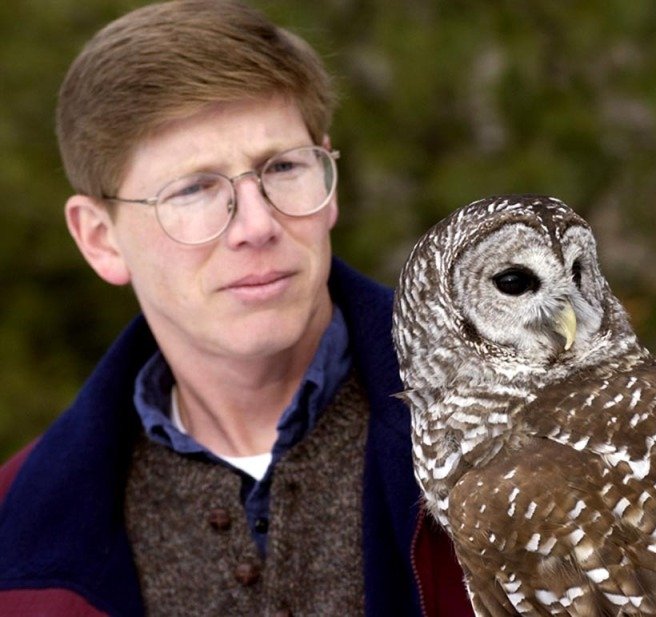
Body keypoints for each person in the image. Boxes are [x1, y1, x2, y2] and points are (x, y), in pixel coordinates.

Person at [0, 1, 473, 615]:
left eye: (283, 167)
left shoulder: (533, 443)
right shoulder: (16, 540)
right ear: (100, 240)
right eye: (194, 189)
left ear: (329, 184)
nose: (257, 225)